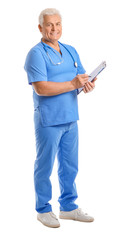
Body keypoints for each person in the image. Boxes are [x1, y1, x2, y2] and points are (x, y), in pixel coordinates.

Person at [24, 8, 97, 228]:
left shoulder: (70, 50)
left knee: (70, 165)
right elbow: (41, 88)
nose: (54, 29)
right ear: (40, 28)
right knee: (44, 166)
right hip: (49, 120)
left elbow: (80, 78)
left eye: (57, 24)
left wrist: (87, 84)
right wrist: (74, 84)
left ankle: (68, 207)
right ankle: (43, 209)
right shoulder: (36, 54)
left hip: (70, 117)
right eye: (49, 24)